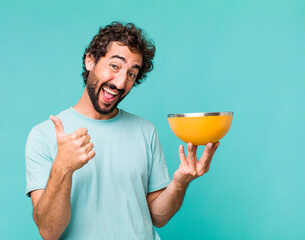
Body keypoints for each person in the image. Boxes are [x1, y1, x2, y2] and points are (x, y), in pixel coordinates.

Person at [25, 21, 220, 240]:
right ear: (90, 60)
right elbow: (49, 232)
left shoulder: (145, 131)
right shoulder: (44, 135)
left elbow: (158, 217)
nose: (120, 82)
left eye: (131, 74)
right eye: (115, 66)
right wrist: (63, 167)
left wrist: (180, 182)